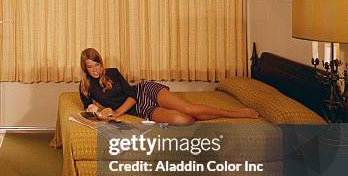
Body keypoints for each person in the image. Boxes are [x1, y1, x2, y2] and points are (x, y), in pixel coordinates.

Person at [79, 48, 259, 124]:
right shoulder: (85, 86)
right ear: (85, 68)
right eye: (90, 66)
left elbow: (132, 95)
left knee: (188, 108)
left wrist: (117, 113)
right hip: (141, 110)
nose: (95, 70)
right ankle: (205, 116)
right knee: (184, 120)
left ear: (101, 64)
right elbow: (87, 107)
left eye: (97, 65)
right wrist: (94, 108)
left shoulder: (113, 72)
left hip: (144, 92)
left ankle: (233, 113)